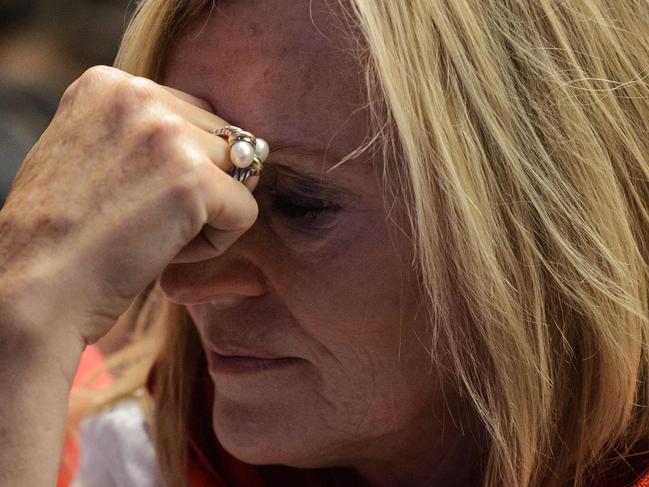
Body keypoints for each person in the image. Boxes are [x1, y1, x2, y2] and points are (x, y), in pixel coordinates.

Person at [2, 0, 649, 486]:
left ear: (543, 223)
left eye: (300, 203)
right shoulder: (135, 458)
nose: (187, 280)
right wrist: (25, 318)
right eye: (191, 194)